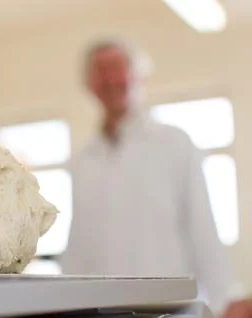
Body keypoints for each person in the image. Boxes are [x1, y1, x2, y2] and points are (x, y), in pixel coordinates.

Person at [61, 38, 237, 313]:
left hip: (170, 309)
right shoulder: (83, 159)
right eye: (100, 70)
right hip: (105, 310)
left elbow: (203, 229)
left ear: (136, 75)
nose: (110, 79)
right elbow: (79, 245)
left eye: (117, 67)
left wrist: (223, 301)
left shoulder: (175, 144)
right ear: (89, 84)